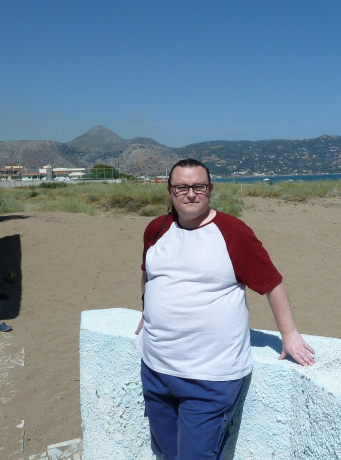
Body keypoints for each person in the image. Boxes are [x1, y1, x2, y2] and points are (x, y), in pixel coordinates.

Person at [135, 158, 315, 460]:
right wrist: (146, 309)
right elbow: (147, 273)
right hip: (155, 370)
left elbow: (271, 283)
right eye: (181, 187)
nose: (190, 194)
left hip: (211, 377)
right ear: (169, 191)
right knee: (166, 452)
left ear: (210, 189)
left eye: (198, 186)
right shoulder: (157, 229)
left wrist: (289, 334)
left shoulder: (232, 231)